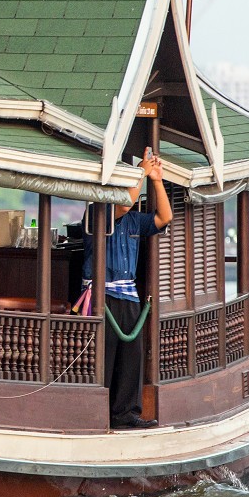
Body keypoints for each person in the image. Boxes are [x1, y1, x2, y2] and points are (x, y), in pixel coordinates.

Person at [82, 147, 172, 429]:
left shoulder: (133, 220)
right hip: (100, 295)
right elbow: (123, 205)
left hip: (128, 295)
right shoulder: (98, 210)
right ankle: (98, 412)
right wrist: (143, 171)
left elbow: (164, 218)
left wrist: (156, 180)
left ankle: (126, 414)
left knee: (130, 354)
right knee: (104, 353)